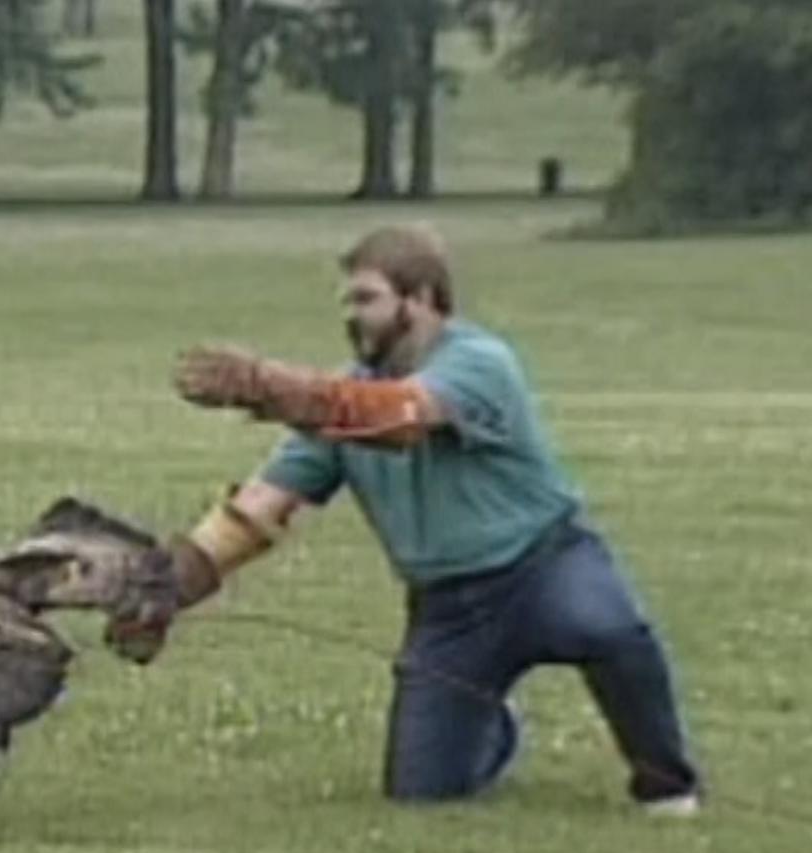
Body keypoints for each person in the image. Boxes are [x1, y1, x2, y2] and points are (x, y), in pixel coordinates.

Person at [162, 223, 701, 815]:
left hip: (544, 567)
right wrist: (166, 589)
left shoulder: (479, 363)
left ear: (419, 299)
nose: (351, 315)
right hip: (448, 611)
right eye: (348, 301)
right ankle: (490, 727)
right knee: (423, 794)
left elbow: (399, 420)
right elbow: (262, 508)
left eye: (366, 298)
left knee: (610, 630)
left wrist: (269, 387)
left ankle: (666, 786)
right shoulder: (343, 401)